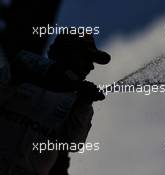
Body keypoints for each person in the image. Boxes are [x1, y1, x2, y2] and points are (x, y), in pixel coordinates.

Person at [0, 33, 110, 175]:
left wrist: (83, 104)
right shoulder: (16, 73)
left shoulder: (77, 101)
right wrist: (17, 78)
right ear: (65, 54)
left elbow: (73, 143)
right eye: (85, 58)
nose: (90, 67)